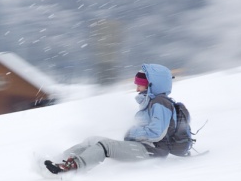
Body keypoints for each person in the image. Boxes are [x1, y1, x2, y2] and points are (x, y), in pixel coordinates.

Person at [44, 63, 178, 174]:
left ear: (152, 85)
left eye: (140, 84)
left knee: (105, 146)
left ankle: (72, 168)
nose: (137, 89)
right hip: (144, 147)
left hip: (152, 151)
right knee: (92, 140)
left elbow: (156, 133)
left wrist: (133, 132)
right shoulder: (152, 102)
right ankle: (58, 160)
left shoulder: (161, 103)